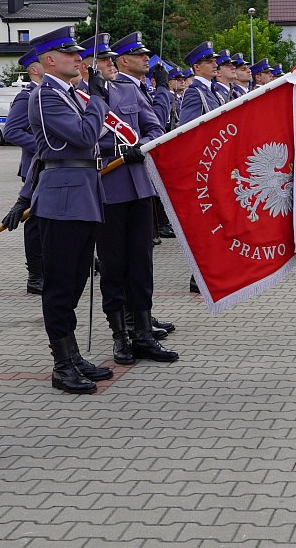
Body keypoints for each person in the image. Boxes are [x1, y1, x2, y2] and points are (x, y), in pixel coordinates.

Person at [18, 25, 114, 394]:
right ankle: (61, 363)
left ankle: (72, 355)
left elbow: (92, 140)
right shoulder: (46, 96)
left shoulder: (70, 95)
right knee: (60, 286)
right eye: (71, 54)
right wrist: (98, 100)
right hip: (62, 200)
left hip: (83, 196)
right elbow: (86, 136)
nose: (80, 59)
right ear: (50, 60)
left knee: (75, 281)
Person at [99, 32, 177, 365]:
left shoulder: (128, 90)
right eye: (100, 60)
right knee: (114, 266)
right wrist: (111, 149)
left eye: (106, 59)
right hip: (106, 190)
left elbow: (155, 127)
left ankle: (143, 333)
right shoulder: (83, 98)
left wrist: (141, 145)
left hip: (138, 187)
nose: (105, 65)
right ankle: (120, 336)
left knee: (141, 264)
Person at [1, 47, 47, 294]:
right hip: (36, 168)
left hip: (51, 167)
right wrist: (43, 144)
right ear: (33, 69)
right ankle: (35, 274)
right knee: (34, 222)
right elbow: (11, 131)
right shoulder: (26, 96)